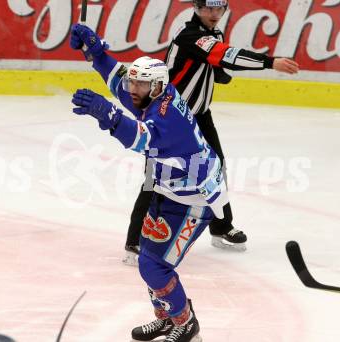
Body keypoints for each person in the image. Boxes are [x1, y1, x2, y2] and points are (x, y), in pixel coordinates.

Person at [71, 23, 230, 342]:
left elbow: (140, 139)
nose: (132, 89)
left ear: (155, 87)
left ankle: (187, 325)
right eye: (134, 82)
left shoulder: (168, 118)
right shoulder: (153, 94)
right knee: (149, 259)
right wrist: (95, 51)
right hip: (169, 190)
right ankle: (169, 318)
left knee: (154, 266)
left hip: (195, 201)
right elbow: (116, 78)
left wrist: (109, 116)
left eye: (139, 85)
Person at [123, 0, 299, 265]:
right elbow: (225, 54)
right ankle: (134, 241)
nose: (215, 14)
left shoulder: (212, 34)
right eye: (208, 8)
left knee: (217, 168)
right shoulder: (190, 35)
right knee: (155, 179)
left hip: (200, 115)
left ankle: (221, 226)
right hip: (169, 119)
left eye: (220, 8)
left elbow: (212, 62)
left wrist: (218, 73)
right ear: (196, 7)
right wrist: (270, 62)